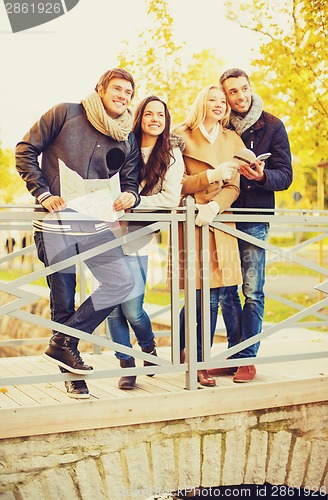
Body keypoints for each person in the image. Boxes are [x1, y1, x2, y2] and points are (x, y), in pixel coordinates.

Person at [15, 68, 141, 399]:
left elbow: (131, 181)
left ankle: (63, 342)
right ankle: (74, 378)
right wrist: (43, 193)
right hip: (55, 221)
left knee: (121, 281)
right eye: (117, 89)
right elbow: (25, 150)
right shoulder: (65, 112)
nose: (123, 96)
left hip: (95, 221)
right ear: (100, 90)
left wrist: (131, 195)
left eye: (129, 92)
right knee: (63, 298)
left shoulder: (127, 135)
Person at [210, 68, 292, 383]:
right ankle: (234, 353)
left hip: (256, 217)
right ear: (225, 95)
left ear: (250, 88)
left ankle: (248, 358)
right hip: (224, 217)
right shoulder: (219, 126)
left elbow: (286, 176)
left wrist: (262, 177)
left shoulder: (273, 125)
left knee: (252, 290)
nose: (240, 96)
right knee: (228, 289)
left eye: (244, 89)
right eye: (233, 91)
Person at [107, 95, 185, 389]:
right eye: (149, 113)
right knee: (111, 307)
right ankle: (126, 364)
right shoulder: (121, 145)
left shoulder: (171, 155)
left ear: (166, 122)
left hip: (139, 232)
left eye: (161, 115)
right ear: (139, 117)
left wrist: (132, 203)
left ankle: (148, 346)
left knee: (131, 307)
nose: (155, 119)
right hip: (107, 229)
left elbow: (169, 199)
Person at [174, 84, 247, 387]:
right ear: (201, 102)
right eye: (212, 100)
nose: (218, 105)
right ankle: (189, 353)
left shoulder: (233, 139)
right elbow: (176, 182)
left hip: (219, 220)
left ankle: (198, 359)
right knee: (198, 294)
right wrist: (210, 177)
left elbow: (235, 186)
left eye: (222, 101)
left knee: (213, 296)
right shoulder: (180, 135)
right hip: (192, 221)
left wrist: (216, 205)